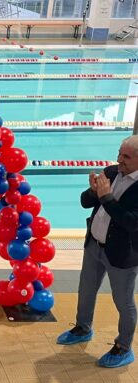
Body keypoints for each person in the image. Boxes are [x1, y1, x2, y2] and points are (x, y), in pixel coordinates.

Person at [57, 135, 138, 368]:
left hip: (121, 254)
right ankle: (83, 328)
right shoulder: (112, 172)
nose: (118, 159)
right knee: (86, 289)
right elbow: (85, 201)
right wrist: (94, 193)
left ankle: (123, 347)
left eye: (126, 157)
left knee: (123, 302)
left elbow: (131, 222)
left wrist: (107, 198)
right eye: (119, 153)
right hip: (94, 245)